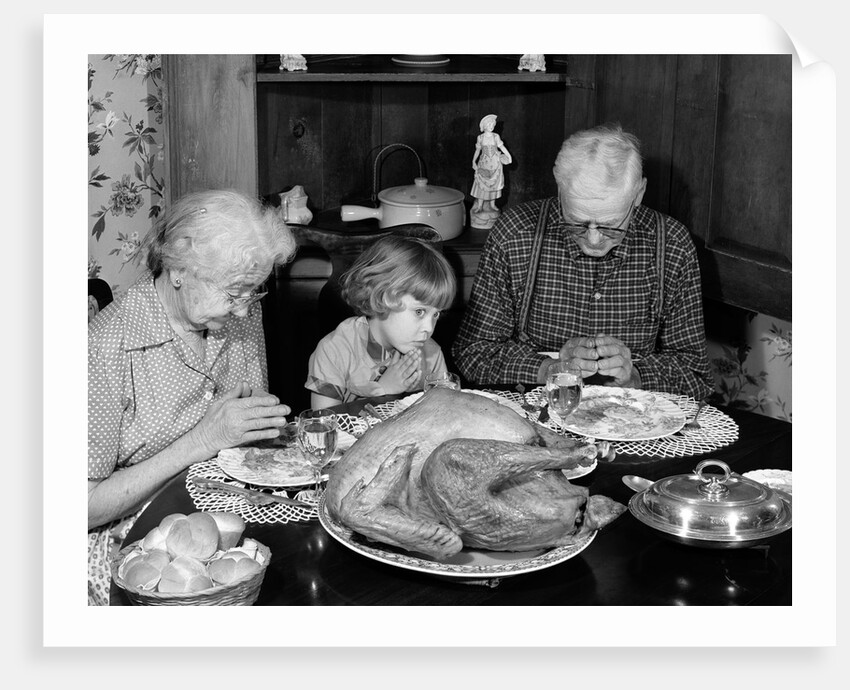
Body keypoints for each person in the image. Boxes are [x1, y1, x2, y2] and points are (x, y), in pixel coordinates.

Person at [87, 189, 297, 605]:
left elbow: (251, 430)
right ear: (180, 268)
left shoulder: (237, 312)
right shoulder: (104, 348)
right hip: (138, 546)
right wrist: (202, 440)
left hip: (226, 514)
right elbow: (85, 507)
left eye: (253, 292)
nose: (244, 310)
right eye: (235, 292)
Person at [453, 123, 714, 401]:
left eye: (610, 226)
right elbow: (473, 353)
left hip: (633, 413)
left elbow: (695, 375)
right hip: (535, 407)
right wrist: (550, 369)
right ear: (560, 191)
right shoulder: (515, 234)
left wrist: (635, 376)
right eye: (577, 222)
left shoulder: (672, 244)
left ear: (638, 194)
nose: (593, 239)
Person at [306, 235, 457, 409]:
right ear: (382, 297)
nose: (429, 328)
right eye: (419, 311)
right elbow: (323, 420)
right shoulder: (334, 351)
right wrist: (384, 390)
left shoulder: (432, 354)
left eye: (436, 314)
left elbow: (443, 413)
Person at [470, 114, 512, 226]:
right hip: (484, 164)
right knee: (482, 184)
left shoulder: (496, 136)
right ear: (484, 126)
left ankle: (493, 204)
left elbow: (502, 147)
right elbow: (477, 151)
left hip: (495, 163)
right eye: (489, 124)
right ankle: (480, 205)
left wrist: (509, 156)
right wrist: (473, 161)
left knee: (494, 184)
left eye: (493, 124)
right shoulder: (480, 138)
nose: (491, 126)